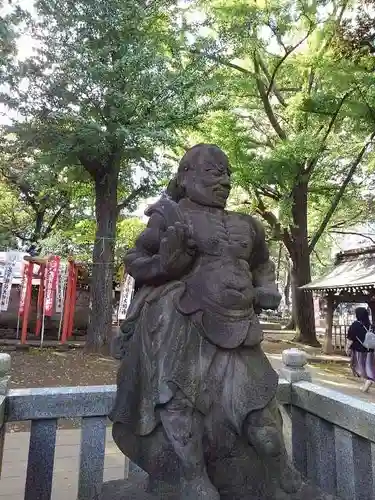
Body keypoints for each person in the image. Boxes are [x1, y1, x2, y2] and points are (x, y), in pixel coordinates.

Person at [110, 144, 303, 499]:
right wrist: (165, 266)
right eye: (213, 173)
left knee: (260, 407)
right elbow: (136, 258)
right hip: (184, 324)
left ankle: (279, 474)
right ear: (185, 177)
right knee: (179, 403)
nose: (225, 181)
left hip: (240, 326)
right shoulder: (170, 216)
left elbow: (262, 264)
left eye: (227, 174)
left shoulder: (247, 225)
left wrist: (266, 286)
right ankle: (192, 478)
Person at [346, 307, 375, 393]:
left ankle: (369, 380)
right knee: (369, 367)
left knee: (358, 367)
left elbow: (350, 338)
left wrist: (347, 348)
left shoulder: (355, 325)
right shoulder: (371, 325)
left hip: (359, 350)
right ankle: (367, 382)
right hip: (370, 350)